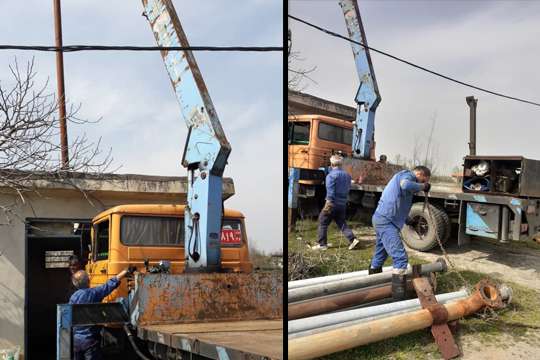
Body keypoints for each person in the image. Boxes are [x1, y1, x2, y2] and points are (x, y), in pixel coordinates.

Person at [368, 165, 431, 300]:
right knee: (401, 258)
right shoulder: (407, 175)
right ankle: (398, 298)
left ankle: (373, 286)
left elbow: (398, 204)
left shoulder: (404, 181)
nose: (421, 184)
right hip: (386, 222)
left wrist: (410, 221)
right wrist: (424, 187)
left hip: (382, 219)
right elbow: (405, 185)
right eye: (423, 180)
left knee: (380, 255)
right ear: (419, 174)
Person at [69, 268, 133, 360]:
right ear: (88, 280)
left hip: (76, 341)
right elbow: (108, 286)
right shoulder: (93, 293)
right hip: (90, 341)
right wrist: (124, 272)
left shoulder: (73, 297)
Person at [311, 154, 359, 251]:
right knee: (341, 222)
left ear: (332, 164)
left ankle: (322, 244)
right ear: (341, 165)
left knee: (322, 221)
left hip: (332, 203)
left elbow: (331, 192)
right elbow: (349, 187)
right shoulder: (347, 176)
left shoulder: (331, 176)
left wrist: (328, 205)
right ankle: (353, 239)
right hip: (342, 204)